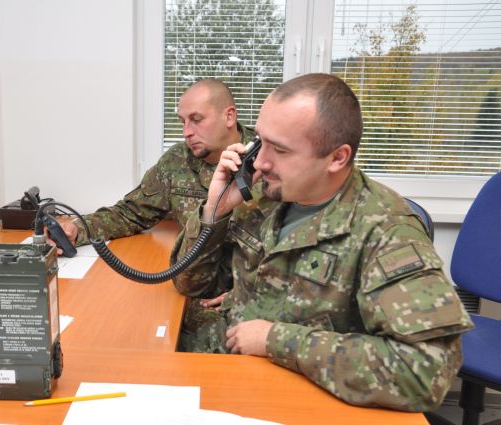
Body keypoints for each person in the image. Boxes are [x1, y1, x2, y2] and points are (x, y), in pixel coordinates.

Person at [170, 73, 473, 411]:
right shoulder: (264, 195)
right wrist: (215, 210)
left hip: (299, 395)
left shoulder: (385, 230)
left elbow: (424, 372)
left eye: (280, 149)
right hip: (228, 369)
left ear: (337, 158)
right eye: (261, 141)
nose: (262, 161)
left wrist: (275, 339)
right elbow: (190, 284)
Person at [58, 78, 257, 249]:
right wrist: (76, 229)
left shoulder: (265, 160)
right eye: (183, 122)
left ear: (229, 116)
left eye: (196, 119)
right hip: (198, 272)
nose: (186, 132)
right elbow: (130, 214)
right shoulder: (177, 160)